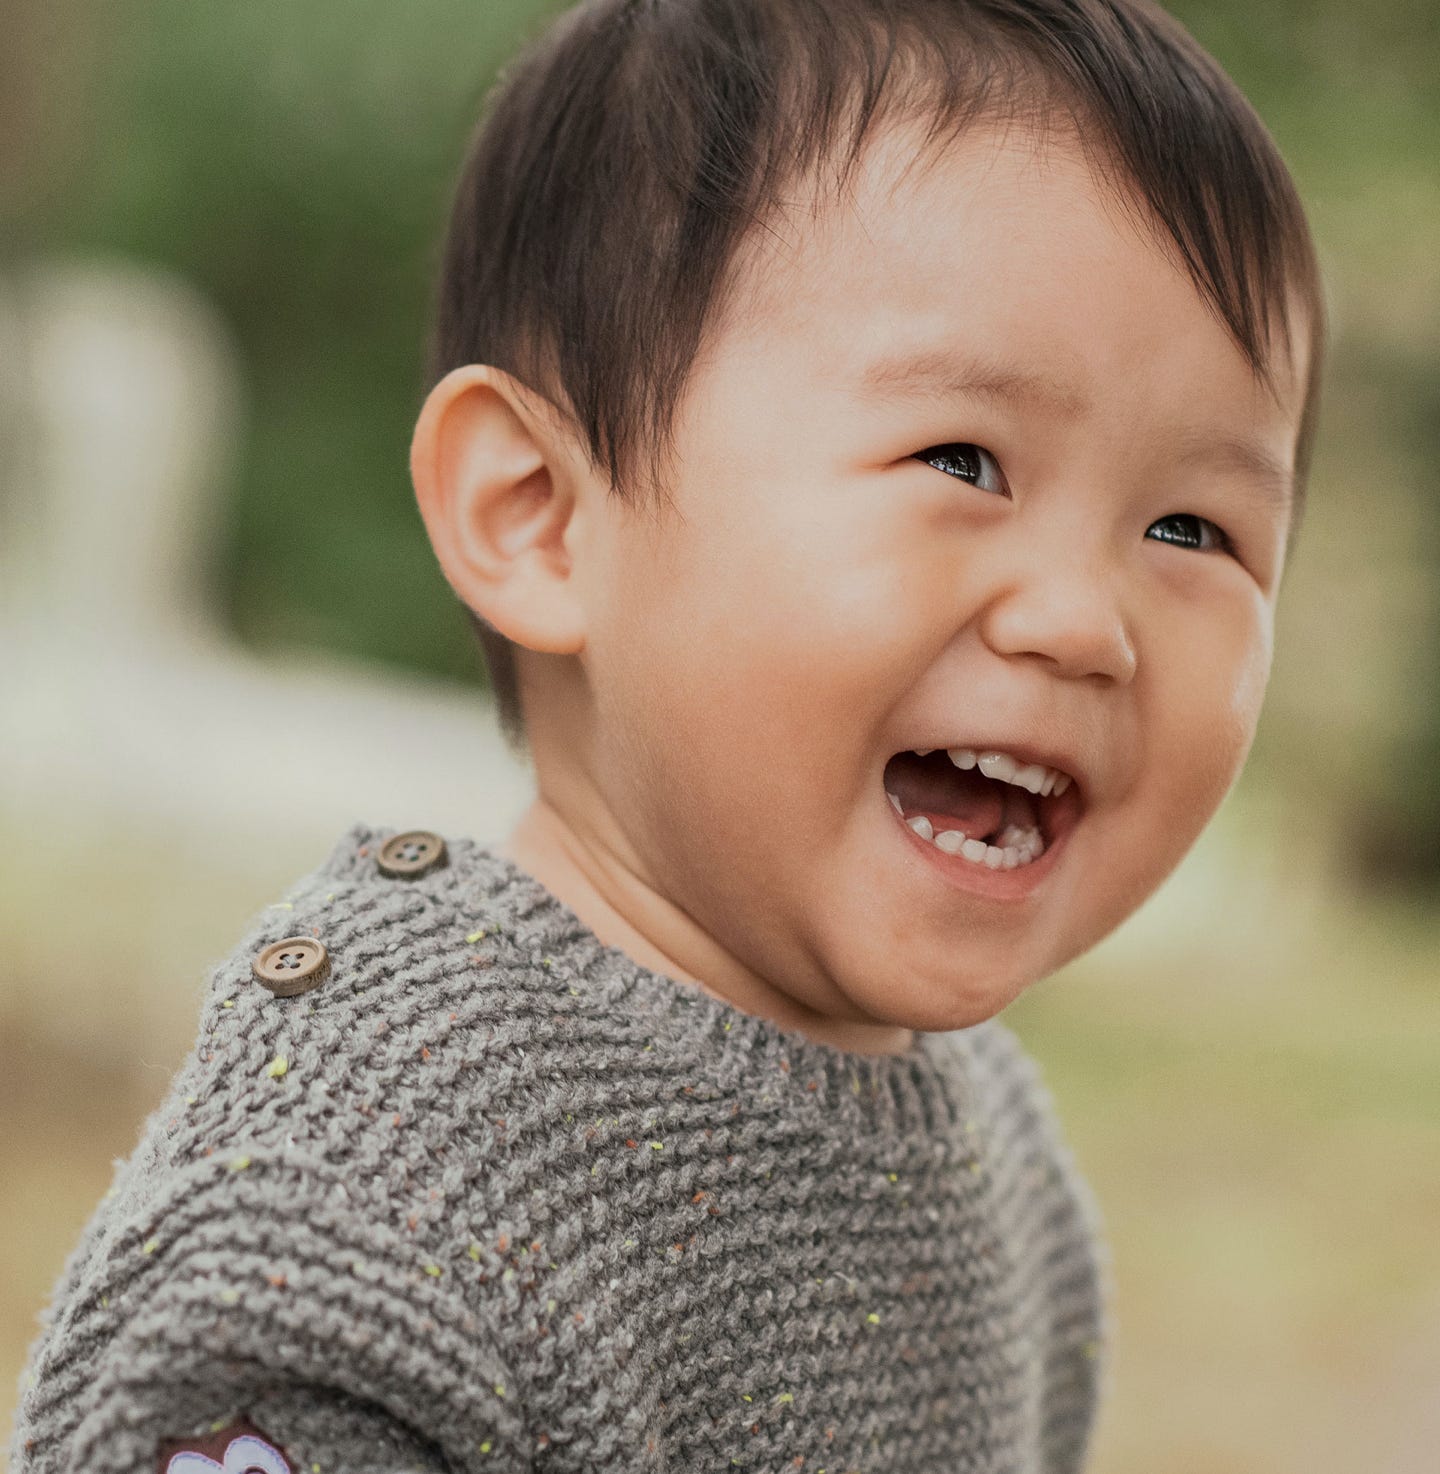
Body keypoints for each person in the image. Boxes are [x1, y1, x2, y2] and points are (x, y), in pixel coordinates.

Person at [9, 1, 1326, 1470]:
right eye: (964, 458)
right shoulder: (378, 1193)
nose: (1087, 622)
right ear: (542, 518)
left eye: (1194, 526)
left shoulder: (1000, 1158)